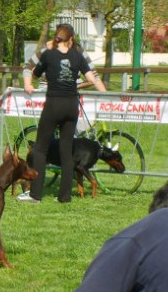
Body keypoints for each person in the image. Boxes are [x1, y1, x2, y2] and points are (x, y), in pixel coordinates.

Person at [17, 24, 106, 204]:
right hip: (71, 106)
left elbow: (33, 73)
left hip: (54, 104)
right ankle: (65, 196)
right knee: (66, 151)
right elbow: (92, 77)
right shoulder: (78, 55)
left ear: (57, 38)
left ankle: (35, 194)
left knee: (41, 149)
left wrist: (28, 84)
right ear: (71, 38)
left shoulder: (48, 54)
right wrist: (105, 94)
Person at [22, 23, 99, 93]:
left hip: (65, 93)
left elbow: (93, 77)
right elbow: (28, 66)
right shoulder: (46, 50)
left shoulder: (79, 52)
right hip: (50, 91)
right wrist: (27, 84)